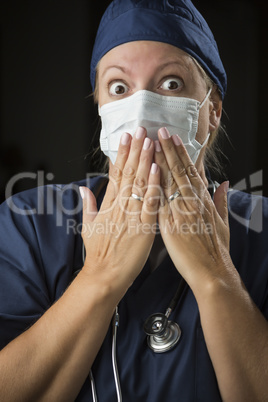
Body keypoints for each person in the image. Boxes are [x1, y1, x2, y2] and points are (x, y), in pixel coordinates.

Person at [0, 0, 268, 401]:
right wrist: (101, 276)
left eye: (171, 83)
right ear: (102, 111)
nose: (142, 112)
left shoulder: (261, 231)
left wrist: (217, 277)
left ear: (211, 111)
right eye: (120, 87)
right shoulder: (30, 224)